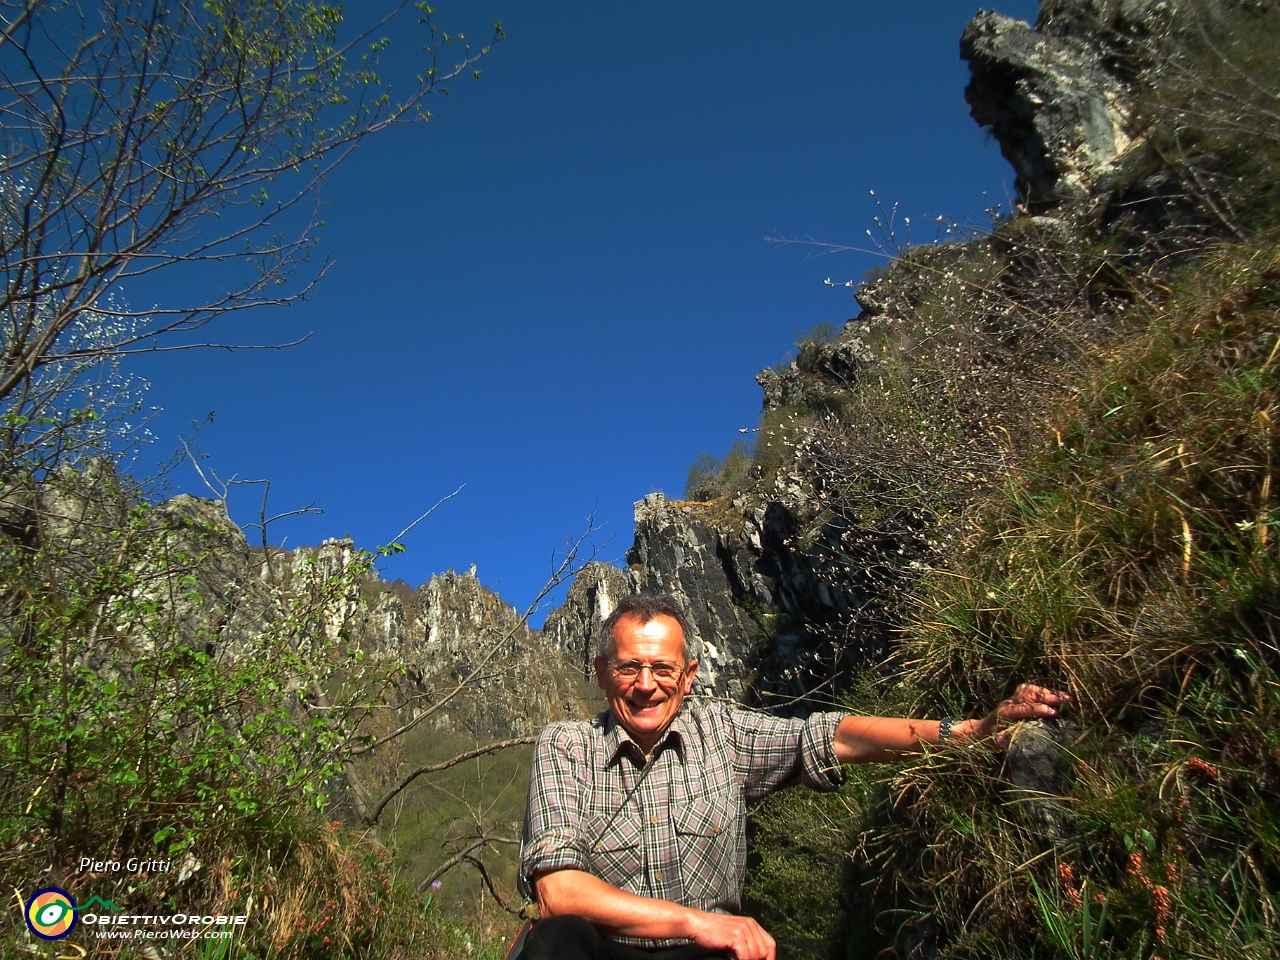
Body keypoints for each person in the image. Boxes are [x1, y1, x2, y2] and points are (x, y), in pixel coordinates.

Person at [517, 594, 1069, 960]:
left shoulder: (722, 734)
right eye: (628, 667)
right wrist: (701, 923)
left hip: (713, 955)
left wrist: (971, 730)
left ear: (687, 678)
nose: (645, 684)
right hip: (613, 951)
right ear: (601, 673)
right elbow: (561, 893)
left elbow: (834, 737)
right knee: (555, 939)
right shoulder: (566, 748)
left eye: (662, 669)